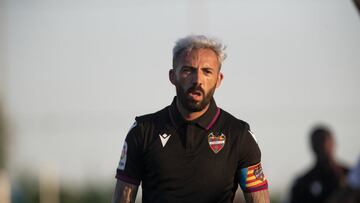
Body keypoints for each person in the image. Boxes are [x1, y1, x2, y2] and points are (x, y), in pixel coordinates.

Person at [111, 35, 270, 203]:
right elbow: (122, 198)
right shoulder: (143, 130)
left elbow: (259, 199)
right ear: (173, 76)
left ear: (218, 79)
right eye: (188, 70)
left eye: (207, 71)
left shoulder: (239, 135)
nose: (197, 80)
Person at [288, 126, 349, 203]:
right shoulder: (303, 182)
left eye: (325, 141)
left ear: (333, 143)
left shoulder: (350, 176)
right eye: (318, 142)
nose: (323, 147)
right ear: (312, 146)